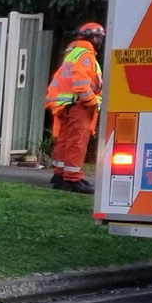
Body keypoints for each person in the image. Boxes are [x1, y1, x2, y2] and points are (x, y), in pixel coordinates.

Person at [45, 22, 105, 193]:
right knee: (76, 143)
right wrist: (93, 102)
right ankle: (72, 179)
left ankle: (60, 175)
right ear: (94, 37)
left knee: (64, 141)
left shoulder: (73, 54)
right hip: (79, 106)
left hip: (66, 105)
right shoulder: (86, 56)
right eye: (99, 37)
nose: (100, 40)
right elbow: (81, 85)